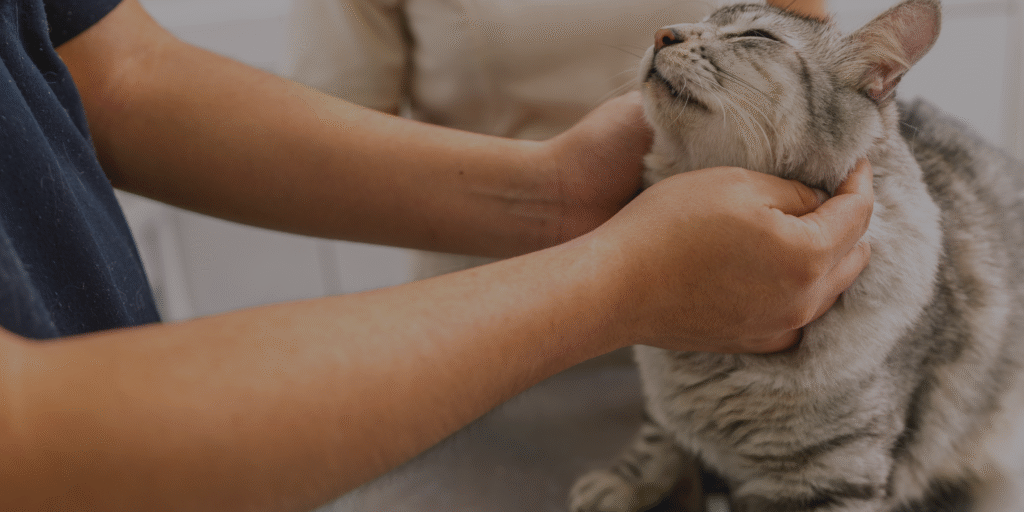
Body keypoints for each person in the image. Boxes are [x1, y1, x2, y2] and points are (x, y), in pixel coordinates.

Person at [0, 0, 871, 511]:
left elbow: (114, 73)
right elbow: (25, 438)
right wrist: (615, 277)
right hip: (494, 356)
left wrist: (555, 191)